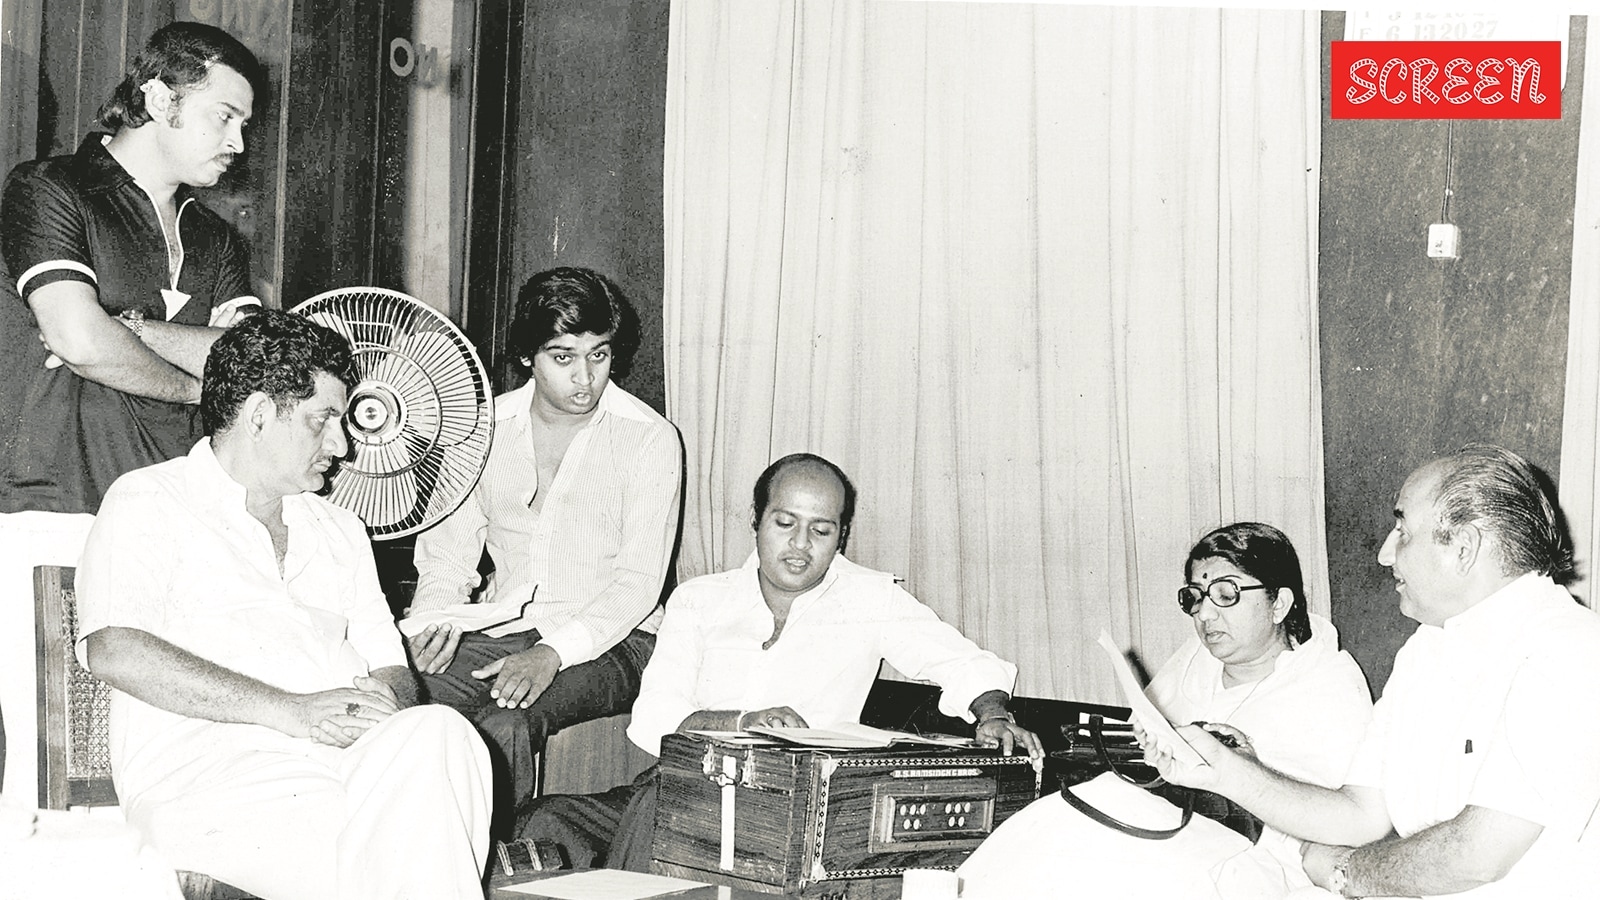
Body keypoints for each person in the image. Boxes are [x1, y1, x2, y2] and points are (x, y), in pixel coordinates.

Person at [74, 310, 492, 900]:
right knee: (392, 843)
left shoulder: (340, 529)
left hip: (347, 767)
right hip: (215, 779)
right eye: (323, 420)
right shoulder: (151, 500)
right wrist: (294, 712)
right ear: (259, 415)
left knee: (443, 734)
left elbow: (389, 663)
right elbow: (114, 650)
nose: (342, 444)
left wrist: (385, 700)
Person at [521, 452, 1043, 870]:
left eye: (821, 530)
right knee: (545, 823)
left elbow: (963, 663)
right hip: (680, 783)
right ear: (756, 520)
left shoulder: (871, 599)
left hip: (797, 810)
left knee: (654, 832)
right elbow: (655, 718)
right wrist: (744, 724)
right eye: (785, 522)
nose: (800, 545)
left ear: (842, 534)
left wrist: (994, 714)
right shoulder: (700, 599)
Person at [1142, 445, 1600, 898]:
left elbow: (1479, 854)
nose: (1384, 554)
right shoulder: (1426, 649)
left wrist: (1347, 872)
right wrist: (1226, 769)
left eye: (1402, 531)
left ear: (1464, 548)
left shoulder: (1574, 650)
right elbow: (1361, 813)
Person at [0, 21, 263, 793]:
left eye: (245, 123)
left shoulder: (214, 240)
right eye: (225, 115)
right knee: (63, 773)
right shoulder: (48, 189)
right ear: (158, 97)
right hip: (57, 506)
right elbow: (79, 338)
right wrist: (194, 379)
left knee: (147, 770)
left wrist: (137, 332)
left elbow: (248, 363)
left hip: (169, 520)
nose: (240, 142)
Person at [405, 266, 683, 836]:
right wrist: (434, 624)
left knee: (506, 721)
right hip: (506, 622)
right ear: (528, 355)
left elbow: (637, 584)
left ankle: (491, 871)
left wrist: (553, 652)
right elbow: (447, 555)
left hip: (621, 638)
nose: (586, 379)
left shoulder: (649, 438)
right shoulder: (480, 427)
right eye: (564, 357)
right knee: (405, 695)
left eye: (600, 355)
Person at [957, 522, 1373, 899]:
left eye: (1226, 594)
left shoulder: (1325, 679)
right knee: (1062, 825)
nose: (1205, 614)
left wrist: (1246, 764)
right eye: (1195, 598)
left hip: (1257, 856)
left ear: (1279, 603)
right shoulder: (1196, 658)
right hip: (1166, 820)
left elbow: (1332, 822)